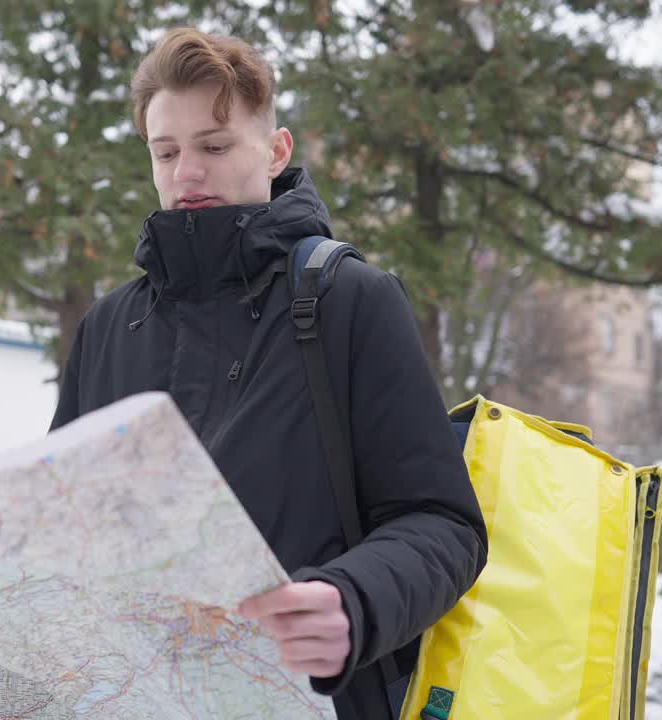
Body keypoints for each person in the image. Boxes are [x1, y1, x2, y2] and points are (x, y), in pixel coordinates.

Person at [49, 27, 488, 720]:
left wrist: (355, 599)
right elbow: (59, 525)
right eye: (166, 152)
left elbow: (442, 524)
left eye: (214, 146)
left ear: (276, 149)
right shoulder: (107, 329)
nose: (186, 172)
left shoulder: (350, 301)